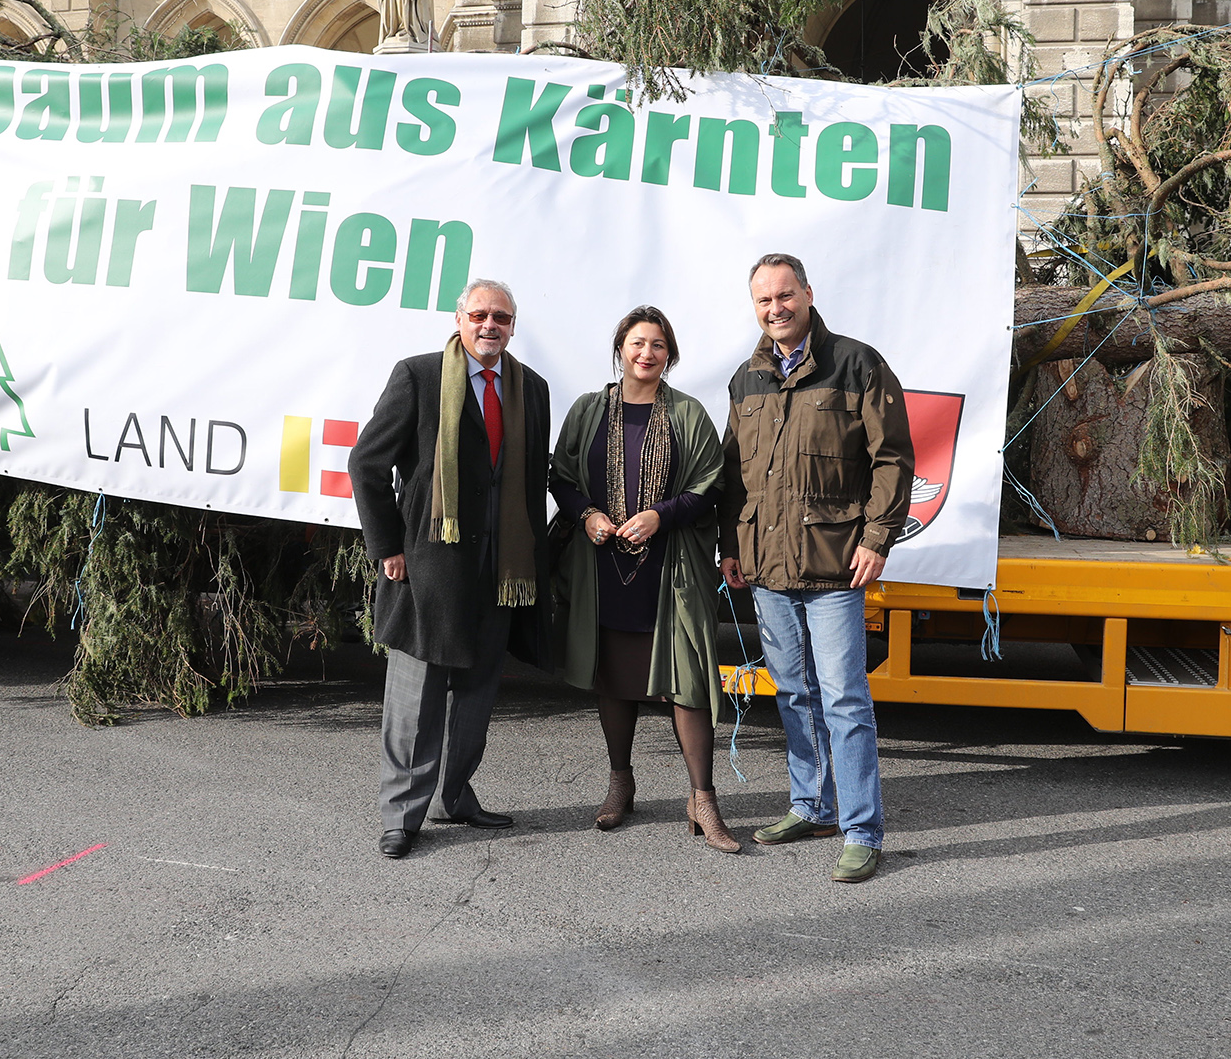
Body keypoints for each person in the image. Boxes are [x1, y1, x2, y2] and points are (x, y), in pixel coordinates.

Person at [718, 253, 912, 883]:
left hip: (834, 566)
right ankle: (811, 805)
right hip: (768, 567)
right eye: (763, 300)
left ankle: (862, 829)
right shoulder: (746, 379)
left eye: (784, 295)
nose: (775, 308)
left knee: (845, 700)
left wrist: (878, 537)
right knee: (794, 693)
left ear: (807, 294)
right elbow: (733, 475)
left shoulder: (856, 363)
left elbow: (893, 459)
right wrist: (731, 546)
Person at [349, 279, 551, 859]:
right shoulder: (418, 376)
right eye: (481, 314)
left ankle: (454, 796)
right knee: (416, 697)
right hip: (427, 565)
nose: (491, 326)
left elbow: (531, 477)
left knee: (479, 692)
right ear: (460, 318)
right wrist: (388, 546)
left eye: (503, 318)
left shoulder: (530, 389)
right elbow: (366, 463)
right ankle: (403, 814)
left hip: (501, 567)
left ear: (514, 326)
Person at [549, 307, 736, 852]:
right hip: (603, 565)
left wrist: (662, 515)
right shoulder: (589, 411)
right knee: (613, 675)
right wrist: (587, 514)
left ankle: (702, 798)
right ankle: (620, 783)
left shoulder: (687, 413)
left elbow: (711, 483)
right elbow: (561, 475)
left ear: (669, 355)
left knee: (689, 680)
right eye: (637, 343)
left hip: (670, 567)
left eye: (657, 345)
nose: (646, 353)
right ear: (620, 349)